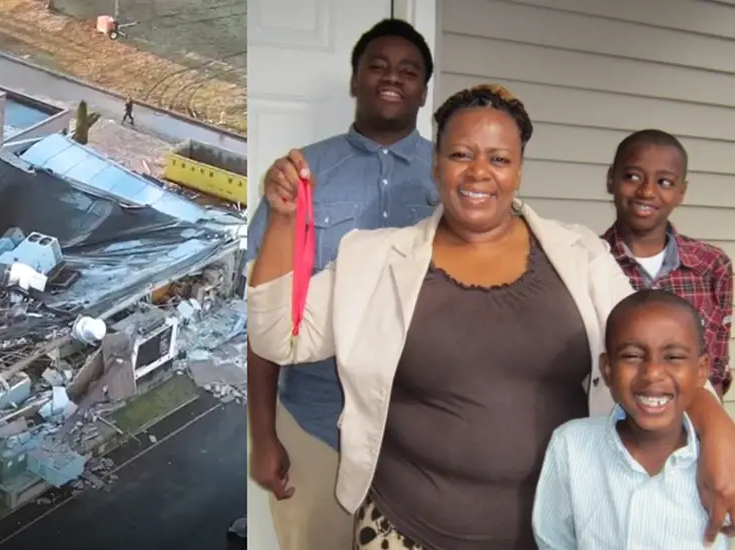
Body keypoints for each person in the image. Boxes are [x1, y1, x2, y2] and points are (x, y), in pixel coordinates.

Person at [247, 83, 735, 549]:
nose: (480, 172)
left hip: (556, 533)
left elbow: (656, 351)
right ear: (435, 165)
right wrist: (285, 221)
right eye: (461, 154)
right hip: (403, 531)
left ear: (518, 172)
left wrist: (717, 428)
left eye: (499, 159)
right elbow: (276, 338)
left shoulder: (579, 253)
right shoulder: (373, 259)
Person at [246, 18, 439, 550]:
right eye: (376, 65)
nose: (391, 77)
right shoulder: (301, 174)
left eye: (408, 70)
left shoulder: (450, 180)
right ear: (355, 80)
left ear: (424, 88)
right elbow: (265, 314)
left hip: (417, 439)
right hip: (315, 425)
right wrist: (263, 436)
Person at [533, 290, 726, 549]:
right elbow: (553, 541)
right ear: (608, 369)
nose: (653, 373)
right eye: (633, 356)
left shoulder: (722, 461)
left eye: (674, 357)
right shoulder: (571, 446)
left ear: (701, 370)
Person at [601, 130, 733, 399]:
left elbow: (716, 367)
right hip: (610, 427)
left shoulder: (712, 265)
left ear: (681, 192)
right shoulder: (590, 262)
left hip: (693, 426)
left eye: (664, 182)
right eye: (633, 177)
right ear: (610, 179)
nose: (647, 191)